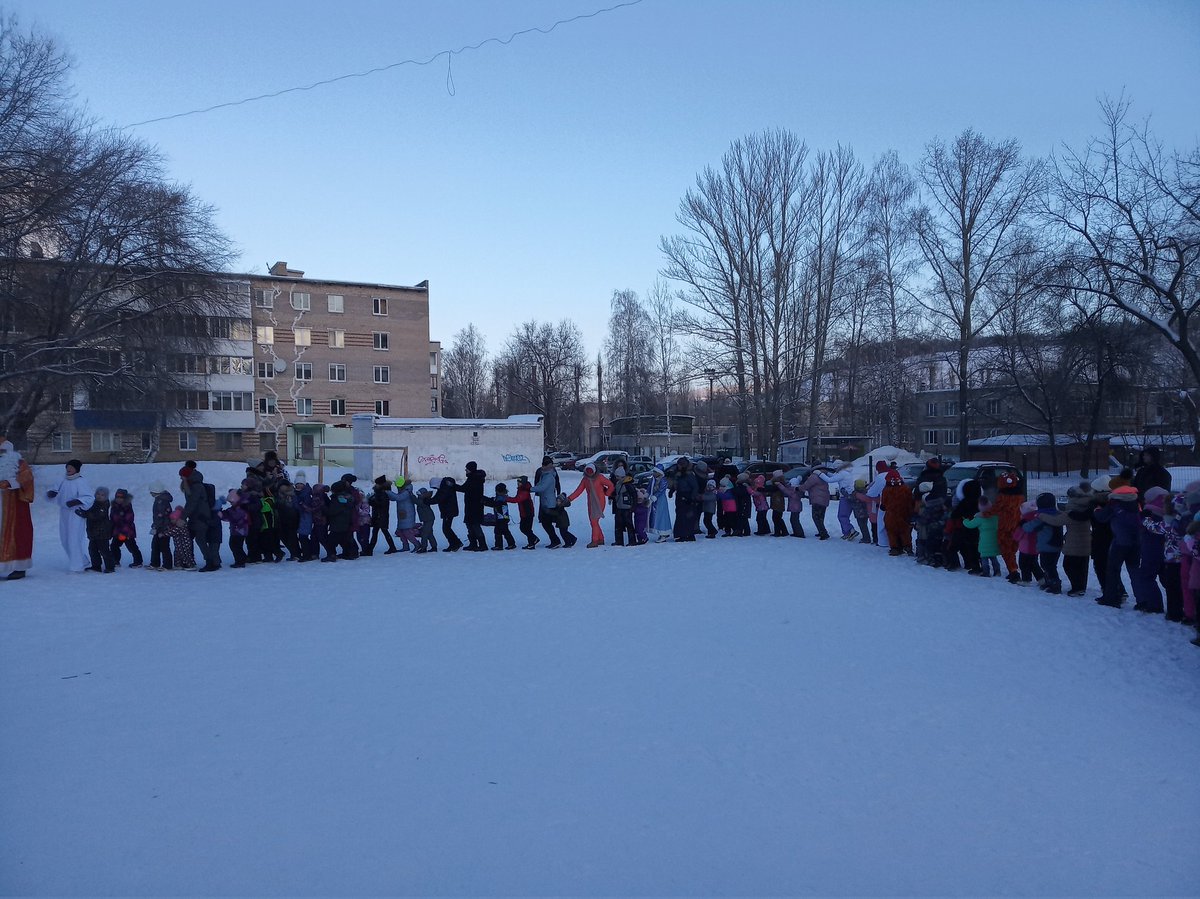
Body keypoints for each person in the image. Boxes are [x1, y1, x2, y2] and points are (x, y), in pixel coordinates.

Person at [1094, 485, 1141, 607]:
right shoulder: (1136, 503)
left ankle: (1111, 598)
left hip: (1119, 542)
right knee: (1135, 570)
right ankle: (1142, 600)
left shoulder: (1114, 504)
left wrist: (1097, 510)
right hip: (1136, 542)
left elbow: (1102, 518)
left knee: (1113, 570)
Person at [46, 459, 92, 572]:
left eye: (71, 467)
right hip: (64, 512)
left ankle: (77, 566)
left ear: (77, 469)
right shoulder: (62, 480)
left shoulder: (81, 481)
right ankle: (83, 561)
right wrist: (51, 494)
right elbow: (54, 491)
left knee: (74, 539)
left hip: (76, 513)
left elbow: (89, 497)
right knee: (65, 539)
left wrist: (77, 501)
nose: (69, 469)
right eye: (68, 467)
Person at [0, 438, 35, 580]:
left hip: (14, 505)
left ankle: (19, 568)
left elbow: (27, 478)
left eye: (2, 451)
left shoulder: (19, 463)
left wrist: (9, 482)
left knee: (17, 534)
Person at [567, 463, 615, 548]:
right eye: (588, 471)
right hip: (591, 502)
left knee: (594, 521)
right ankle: (600, 539)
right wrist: (570, 498)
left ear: (594, 471)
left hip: (599, 502)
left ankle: (595, 540)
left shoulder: (600, 477)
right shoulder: (585, 479)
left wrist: (607, 493)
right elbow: (578, 490)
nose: (589, 473)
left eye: (591, 471)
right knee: (593, 521)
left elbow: (611, 485)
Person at [533, 462, 571, 548]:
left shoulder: (549, 476)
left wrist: (530, 489)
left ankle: (556, 541)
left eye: (544, 465)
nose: (542, 467)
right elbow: (538, 484)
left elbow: (542, 487)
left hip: (548, 503)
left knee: (547, 523)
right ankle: (557, 540)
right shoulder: (543, 474)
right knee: (546, 523)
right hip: (545, 502)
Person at [80, 486, 115, 573]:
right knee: (92, 550)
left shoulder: (105, 505)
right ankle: (96, 566)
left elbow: (98, 515)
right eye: (98, 494)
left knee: (104, 550)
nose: (99, 496)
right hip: (93, 532)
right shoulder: (93, 503)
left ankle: (110, 567)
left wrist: (85, 514)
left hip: (103, 532)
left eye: (102, 495)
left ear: (106, 497)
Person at [963, 496, 1001, 577]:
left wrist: (965, 520)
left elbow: (970, 525)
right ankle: (997, 571)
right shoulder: (995, 517)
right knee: (993, 557)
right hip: (994, 540)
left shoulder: (979, 518)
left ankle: (986, 572)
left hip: (984, 542)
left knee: (984, 558)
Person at [880, 469, 914, 556]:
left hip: (891, 515)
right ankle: (907, 546)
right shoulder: (905, 488)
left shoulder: (886, 490)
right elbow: (910, 501)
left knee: (891, 532)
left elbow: (883, 504)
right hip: (904, 514)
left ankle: (895, 548)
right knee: (905, 531)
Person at [457, 461, 489, 552]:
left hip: (474, 506)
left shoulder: (474, 479)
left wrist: (453, 486)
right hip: (472, 505)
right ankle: (473, 544)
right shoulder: (474, 478)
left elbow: (463, 488)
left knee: (474, 525)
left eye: (466, 469)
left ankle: (482, 545)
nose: (465, 470)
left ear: (470, 469)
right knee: (470, 524)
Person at [108, 488, 144, 568]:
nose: (119, 499)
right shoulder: (114, 506)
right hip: (117, 532)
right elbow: (112, 519)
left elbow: (129, 520)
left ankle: (138, 562)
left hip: (127, 533)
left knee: (132, 547)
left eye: (121, 498)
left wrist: (124, 533)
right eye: (117, 497)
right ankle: (115, 561)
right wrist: (111, 531)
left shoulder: (127, 507)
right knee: (114, 546)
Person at [799, 466, 834, 540]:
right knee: (821, 517)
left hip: (817, 499)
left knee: (816, 517)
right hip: (825, 498)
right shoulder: (824, 476)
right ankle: (821, 531)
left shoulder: (814, 476)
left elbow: (806, 485)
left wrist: (798, 488)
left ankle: (823, 533)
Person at [367, 476, 400, 554]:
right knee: (380, 532)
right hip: (380, 516)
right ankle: (371, 549)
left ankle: (370, 550)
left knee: (379, 532)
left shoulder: (382, 493)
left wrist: (370, 501)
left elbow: (381, 505)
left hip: (380, 516)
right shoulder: (380, 493)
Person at [148, 482, 175, 571]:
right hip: (159, 527)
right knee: (155, 545)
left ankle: (167, 565)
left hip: (163, 528)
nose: (150, 493)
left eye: (151, 492)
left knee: (164, 546)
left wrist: (159, 529)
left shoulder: (161, 501)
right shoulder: (159, 499)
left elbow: (162, 516)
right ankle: (155, 563)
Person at [433, 476, 464, 552]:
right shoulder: (445, 487)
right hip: (449, 511)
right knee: (447, 528)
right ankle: (456, 542)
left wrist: (426, 501)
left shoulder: (444, 489)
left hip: (448, 511)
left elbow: (437, 499)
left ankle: (454, 544)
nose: (436, 489)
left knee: (446, 529)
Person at [510, 475, 539, 549]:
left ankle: (532, 542)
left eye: (519, 482)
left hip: (528, 513)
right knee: (524, 528)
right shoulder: (521, 489)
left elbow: (517, 499)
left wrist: (505, 498)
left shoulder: (524, 491)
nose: (518, 483)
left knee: (526, 528)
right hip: (524, 513)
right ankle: (533, 540)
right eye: (517, 482)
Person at [612, 473, 639, 546]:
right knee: (618, 525)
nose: (617, 478)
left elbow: (634, 496)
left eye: (618, 476)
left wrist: (633, 506)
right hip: (619, 507)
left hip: (627, 508)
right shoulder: (618, 483)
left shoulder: (628, 484)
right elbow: (615, 494)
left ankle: (632, 541)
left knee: (629, 525)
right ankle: (619, 541)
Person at [487, 482, 517, 550]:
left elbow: (495, 504)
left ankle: (499, 545)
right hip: (503, 518)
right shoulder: (502, 498)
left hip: (501, 518)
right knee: (505, 531)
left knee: (498, 531)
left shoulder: (500, 499)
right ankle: (511, 543)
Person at [648, 466, 672, 543]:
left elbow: (661, 490)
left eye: (655, 472)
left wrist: (655, 496)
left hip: (661, 500)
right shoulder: (653, 479)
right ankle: (661, 532)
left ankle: (664, 532)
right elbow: (649, 488)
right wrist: (646, 494)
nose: (653, 473)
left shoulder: (663, 480)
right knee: (656, 516)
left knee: (662, 516)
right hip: (654, 500)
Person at [413, 487, 438, 553]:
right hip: (427, 519)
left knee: (424, 533)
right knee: (429, 533)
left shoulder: (423, 501)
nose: (418, 495)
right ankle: (434, 546)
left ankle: (424, 548)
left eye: (419, 494)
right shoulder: (423, 499)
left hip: (428, 519)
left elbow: (416, 501)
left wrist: (410, 493)